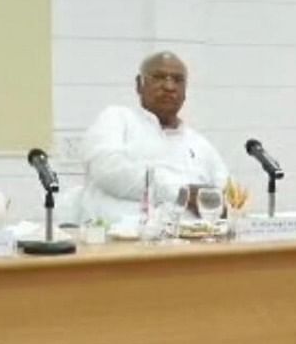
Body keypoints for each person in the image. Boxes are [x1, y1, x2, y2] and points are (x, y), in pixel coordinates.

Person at [79, 52, 228, 223]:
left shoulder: (199, 144)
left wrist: (221, 205)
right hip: (123, 240)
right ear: (139, 84)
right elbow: (108, 171)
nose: (169, 86)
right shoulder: (118, 119)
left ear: (185, 91)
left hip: (195, 243)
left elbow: (227, 195)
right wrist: (182, 192)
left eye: (178, 80)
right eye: (159, 77)